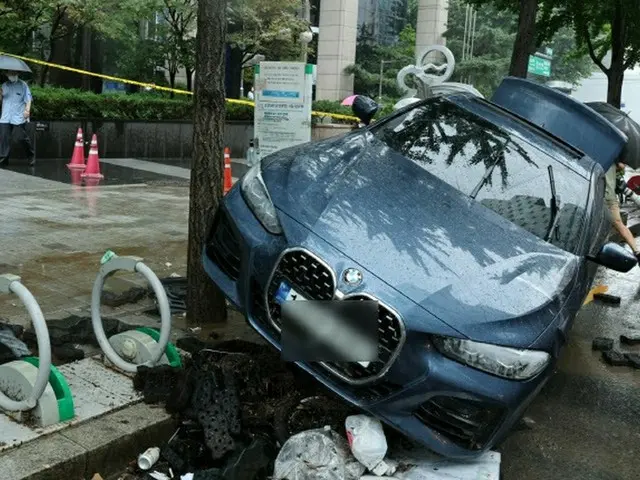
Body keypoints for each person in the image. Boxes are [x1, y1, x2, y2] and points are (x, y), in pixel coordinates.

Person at [605, 162, 640, 262]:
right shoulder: (611, 157)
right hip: (609, 195)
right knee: (619, 223)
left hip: (603, 194)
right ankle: (636, 251)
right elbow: (621, 167)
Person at [0, 70, 35, 167]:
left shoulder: (23, 85)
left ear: (17, 74)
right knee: (3, 139)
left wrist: (27, 110)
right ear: (6, 74)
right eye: (9, 73)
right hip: (5, 117)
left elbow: (28, 99)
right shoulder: (4, 85)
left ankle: (30, 155)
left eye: (13, 73)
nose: (11, 75)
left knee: (20, 138)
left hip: (18, 116)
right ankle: (3, 160)